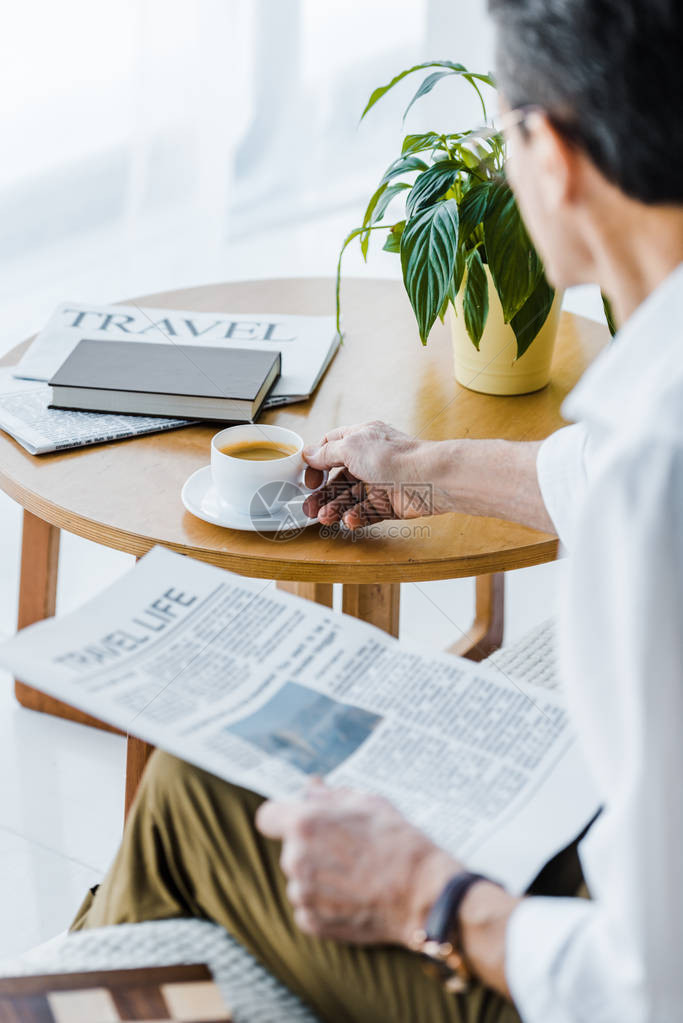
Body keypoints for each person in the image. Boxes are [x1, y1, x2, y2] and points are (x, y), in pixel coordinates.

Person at [72, 0, 683, 1019]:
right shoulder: (649, 428)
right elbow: (592, 472)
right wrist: (417, 468)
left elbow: (644, 984)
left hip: (591, 971)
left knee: (190, 796)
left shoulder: (650, 471)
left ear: (551, 154)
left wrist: (422, 894)